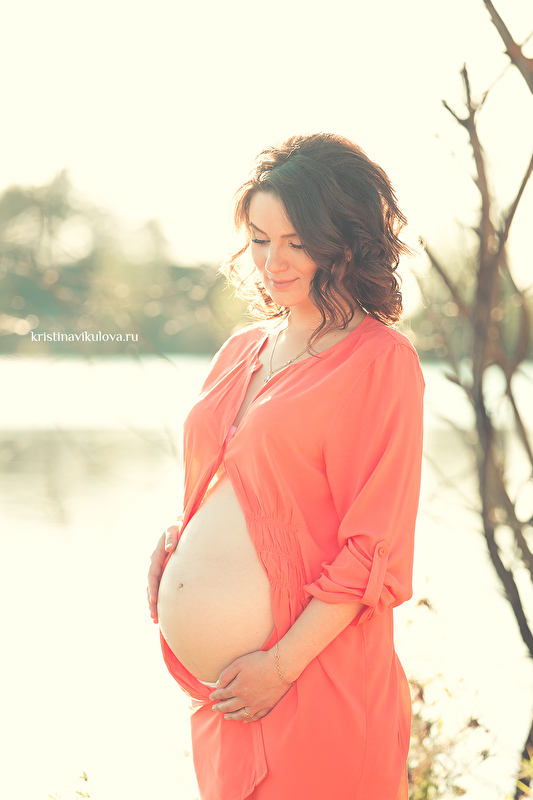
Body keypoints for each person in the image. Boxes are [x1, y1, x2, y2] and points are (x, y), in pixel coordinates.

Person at [147, 132, 424, 800]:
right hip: (226, 700)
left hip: (310, 683)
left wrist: (279, 665)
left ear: (345, 240)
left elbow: (373, 548)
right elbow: (239, 487)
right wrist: (176, 547)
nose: (272, 261)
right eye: (260, 238)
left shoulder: (379, 362)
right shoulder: (241, 349)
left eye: (296, 242)